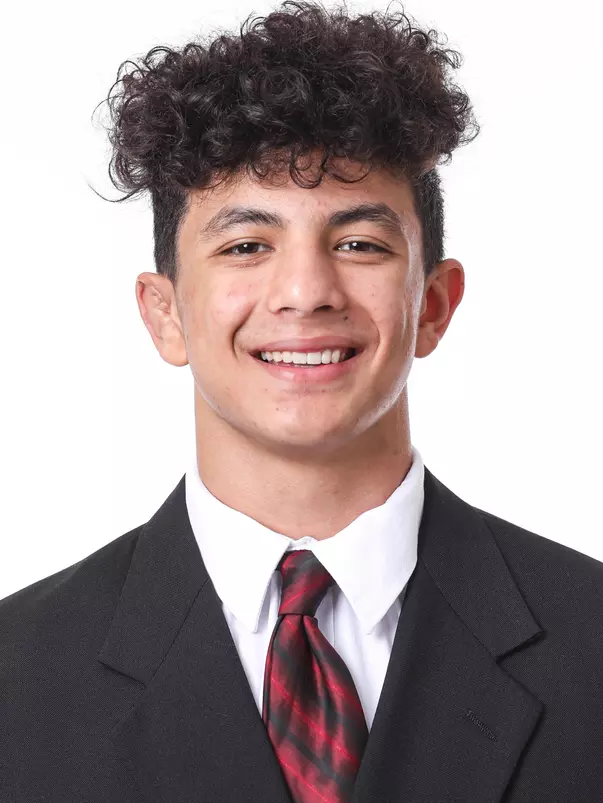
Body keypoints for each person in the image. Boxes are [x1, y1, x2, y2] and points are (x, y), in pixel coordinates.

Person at [1, 2, 602, 801]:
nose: (305, 291)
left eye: (358, 243)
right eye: (247, 245)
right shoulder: (19, 671)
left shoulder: (590, 640)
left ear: (432, 304)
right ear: (164, 312)